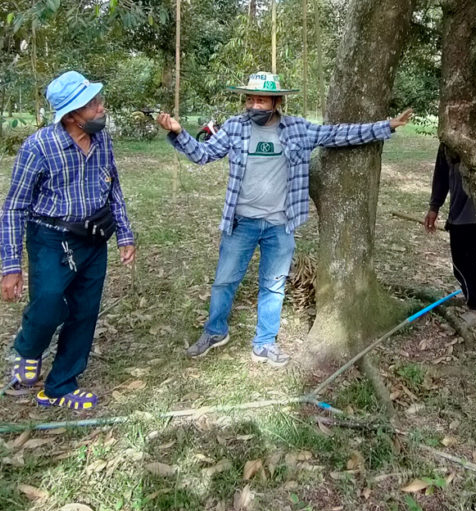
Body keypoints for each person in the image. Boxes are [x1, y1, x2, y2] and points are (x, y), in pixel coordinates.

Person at [157, 71, 412, 367]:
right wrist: (178, 132)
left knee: (273, 285)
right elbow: (203, 154)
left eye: (261, 100)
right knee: (224, 281)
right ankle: (215, 332)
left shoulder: (298, 130)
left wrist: (387, 126)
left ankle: (264, 343)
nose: (253, 105)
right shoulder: (234, 128)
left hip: (280, 224)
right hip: (241, 222)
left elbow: (339, 134)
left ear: (277, 102)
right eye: (250, 99)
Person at [0, 71, 136, 409]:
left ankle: (60, 385)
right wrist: (11, 266)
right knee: (47, 305)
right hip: (51, 238)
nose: (102, 108)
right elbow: (15, 206)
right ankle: (28, 349)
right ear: (72, 115)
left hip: (93, 237)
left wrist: (125, 235)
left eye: (100, 101)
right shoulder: (39, 147)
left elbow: (112, 188)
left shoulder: (102, 141)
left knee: (84, 312)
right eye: (93, 105)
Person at [425, 144, 476, 331]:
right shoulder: (449, 141)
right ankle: (475, 307)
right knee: (463, 265)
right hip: (460, 215)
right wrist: (434, 206)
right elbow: (441, 175)